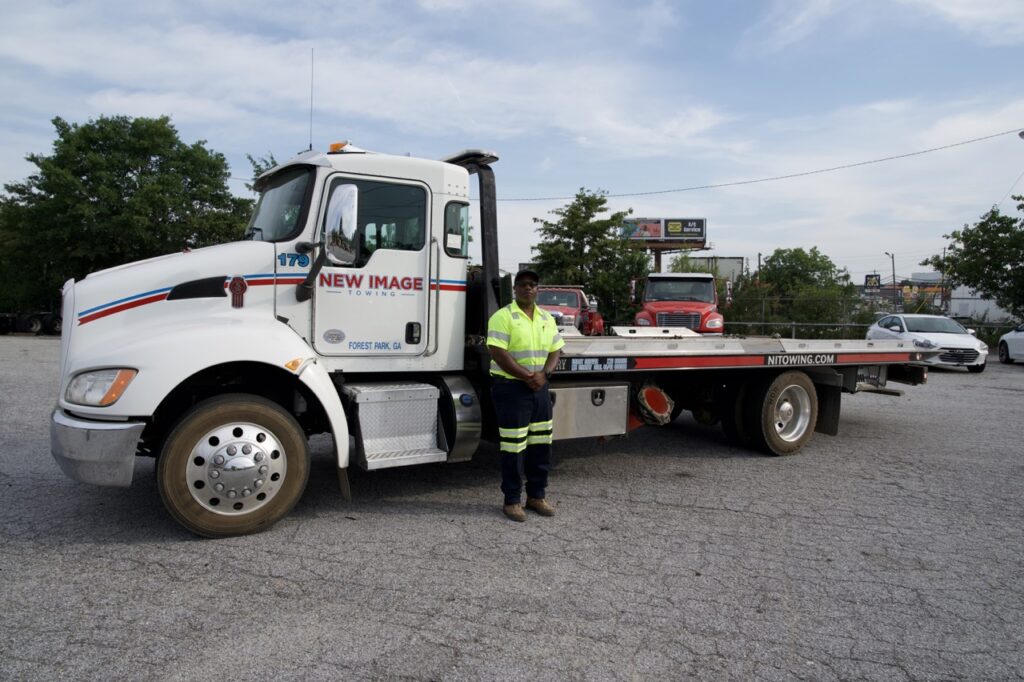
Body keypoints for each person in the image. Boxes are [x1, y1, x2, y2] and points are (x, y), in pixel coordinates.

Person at [486, 269, 564, 522]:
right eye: (523, 285)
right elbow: (498, 352)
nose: (528, 288)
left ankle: (536, 497)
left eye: (532, 285)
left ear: (537, 289)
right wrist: (526, 376)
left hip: (539, 389)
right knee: (513, 448)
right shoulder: (503, 316)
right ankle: (511, 501)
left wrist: (545, 374)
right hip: (511, 390)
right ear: (515, 289)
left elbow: (555, 350)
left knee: (541, 445)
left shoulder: (545, 317)